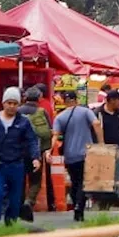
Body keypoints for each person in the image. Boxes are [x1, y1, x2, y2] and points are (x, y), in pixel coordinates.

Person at [0, 87, 41, 226]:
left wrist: (35, 157)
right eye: (9, 103)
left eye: (15, 103)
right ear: (3, 103)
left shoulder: (23, 122)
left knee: (15, 198)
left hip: (17, 165)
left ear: (19, 105)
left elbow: (32, 140)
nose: (11, 106)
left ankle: (10, 226)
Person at [51, 89, 101, 222]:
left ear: (64, 101)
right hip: (86, 154)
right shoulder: (85, 112)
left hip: (70, 155)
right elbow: (96, 123)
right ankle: (79, 206)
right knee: (83, 182)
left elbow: (55, 135)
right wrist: (101, 143)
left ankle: (76, 204)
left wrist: (49, 151)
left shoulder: (60, 117)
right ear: (76, 100)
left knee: (74, 181)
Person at [18, 87, 54, 221]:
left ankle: (19, 206)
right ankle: (29, 201)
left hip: (20, 152)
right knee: (35, 181)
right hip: (36, 152)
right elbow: (49, 131)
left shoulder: (18, 111)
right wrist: (47, 150)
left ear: (25, 97)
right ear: (39, 98)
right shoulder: (42, 111)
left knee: (20, 181)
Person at [34, 85, 58, 213]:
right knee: (47, 175)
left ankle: (44, 202)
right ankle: (51, 202)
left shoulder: (42, 106)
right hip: (46, 145)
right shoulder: (47, 104)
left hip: (42, 146)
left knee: (41, 175)